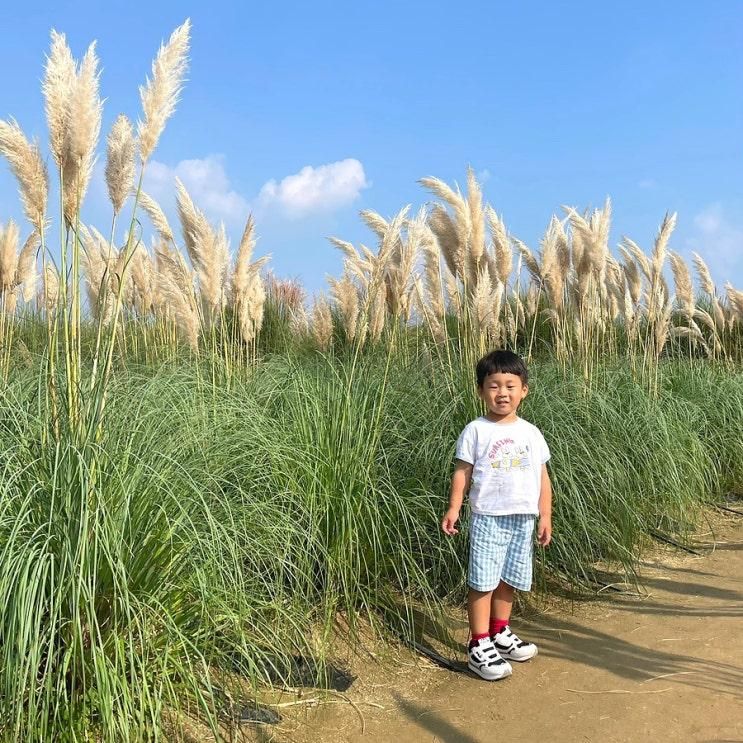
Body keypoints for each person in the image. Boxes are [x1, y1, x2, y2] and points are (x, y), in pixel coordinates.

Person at [441, 349, 553, 681]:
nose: (502, 393)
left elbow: (543, 476)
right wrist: (454, 507)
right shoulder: (475, 429)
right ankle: (478, 644)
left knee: (510, 579)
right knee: (483, 581)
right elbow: (462, 473)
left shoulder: (531, 432)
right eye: (493, 385)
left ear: (524, 390)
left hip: (523, 517)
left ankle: (500, 633)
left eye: (510, 385)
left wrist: (544, 514)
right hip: (489, 516)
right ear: (480, 390)